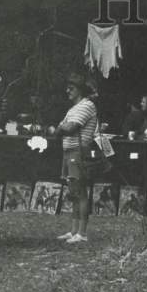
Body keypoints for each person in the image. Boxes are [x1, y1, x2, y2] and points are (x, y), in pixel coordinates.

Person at [54, 71, 98, 243]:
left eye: (71, 88)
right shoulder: (73, 108)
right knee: (73, 192)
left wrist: (61, 127)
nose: (67, 91)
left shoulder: (87, 105)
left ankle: (82, 232)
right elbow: (60, 129)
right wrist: (61, 127)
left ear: (80, 90)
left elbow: (69, 127)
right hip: (69, 152)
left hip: (78, 152)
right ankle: (73, 231)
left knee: (80, 192)